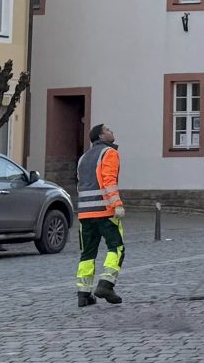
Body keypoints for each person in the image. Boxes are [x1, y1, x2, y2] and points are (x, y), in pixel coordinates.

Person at [75, 123, 125, 307]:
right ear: (101, 137)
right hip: (105, 211)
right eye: (108, 130)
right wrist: (117, 204)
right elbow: (108, 180)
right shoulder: (109, 153)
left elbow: (81, 184)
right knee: (117, 248)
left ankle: (83, 293)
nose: (112, 131)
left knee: (87, 253)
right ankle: (106, 285)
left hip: (85, 213)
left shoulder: (84, 158)